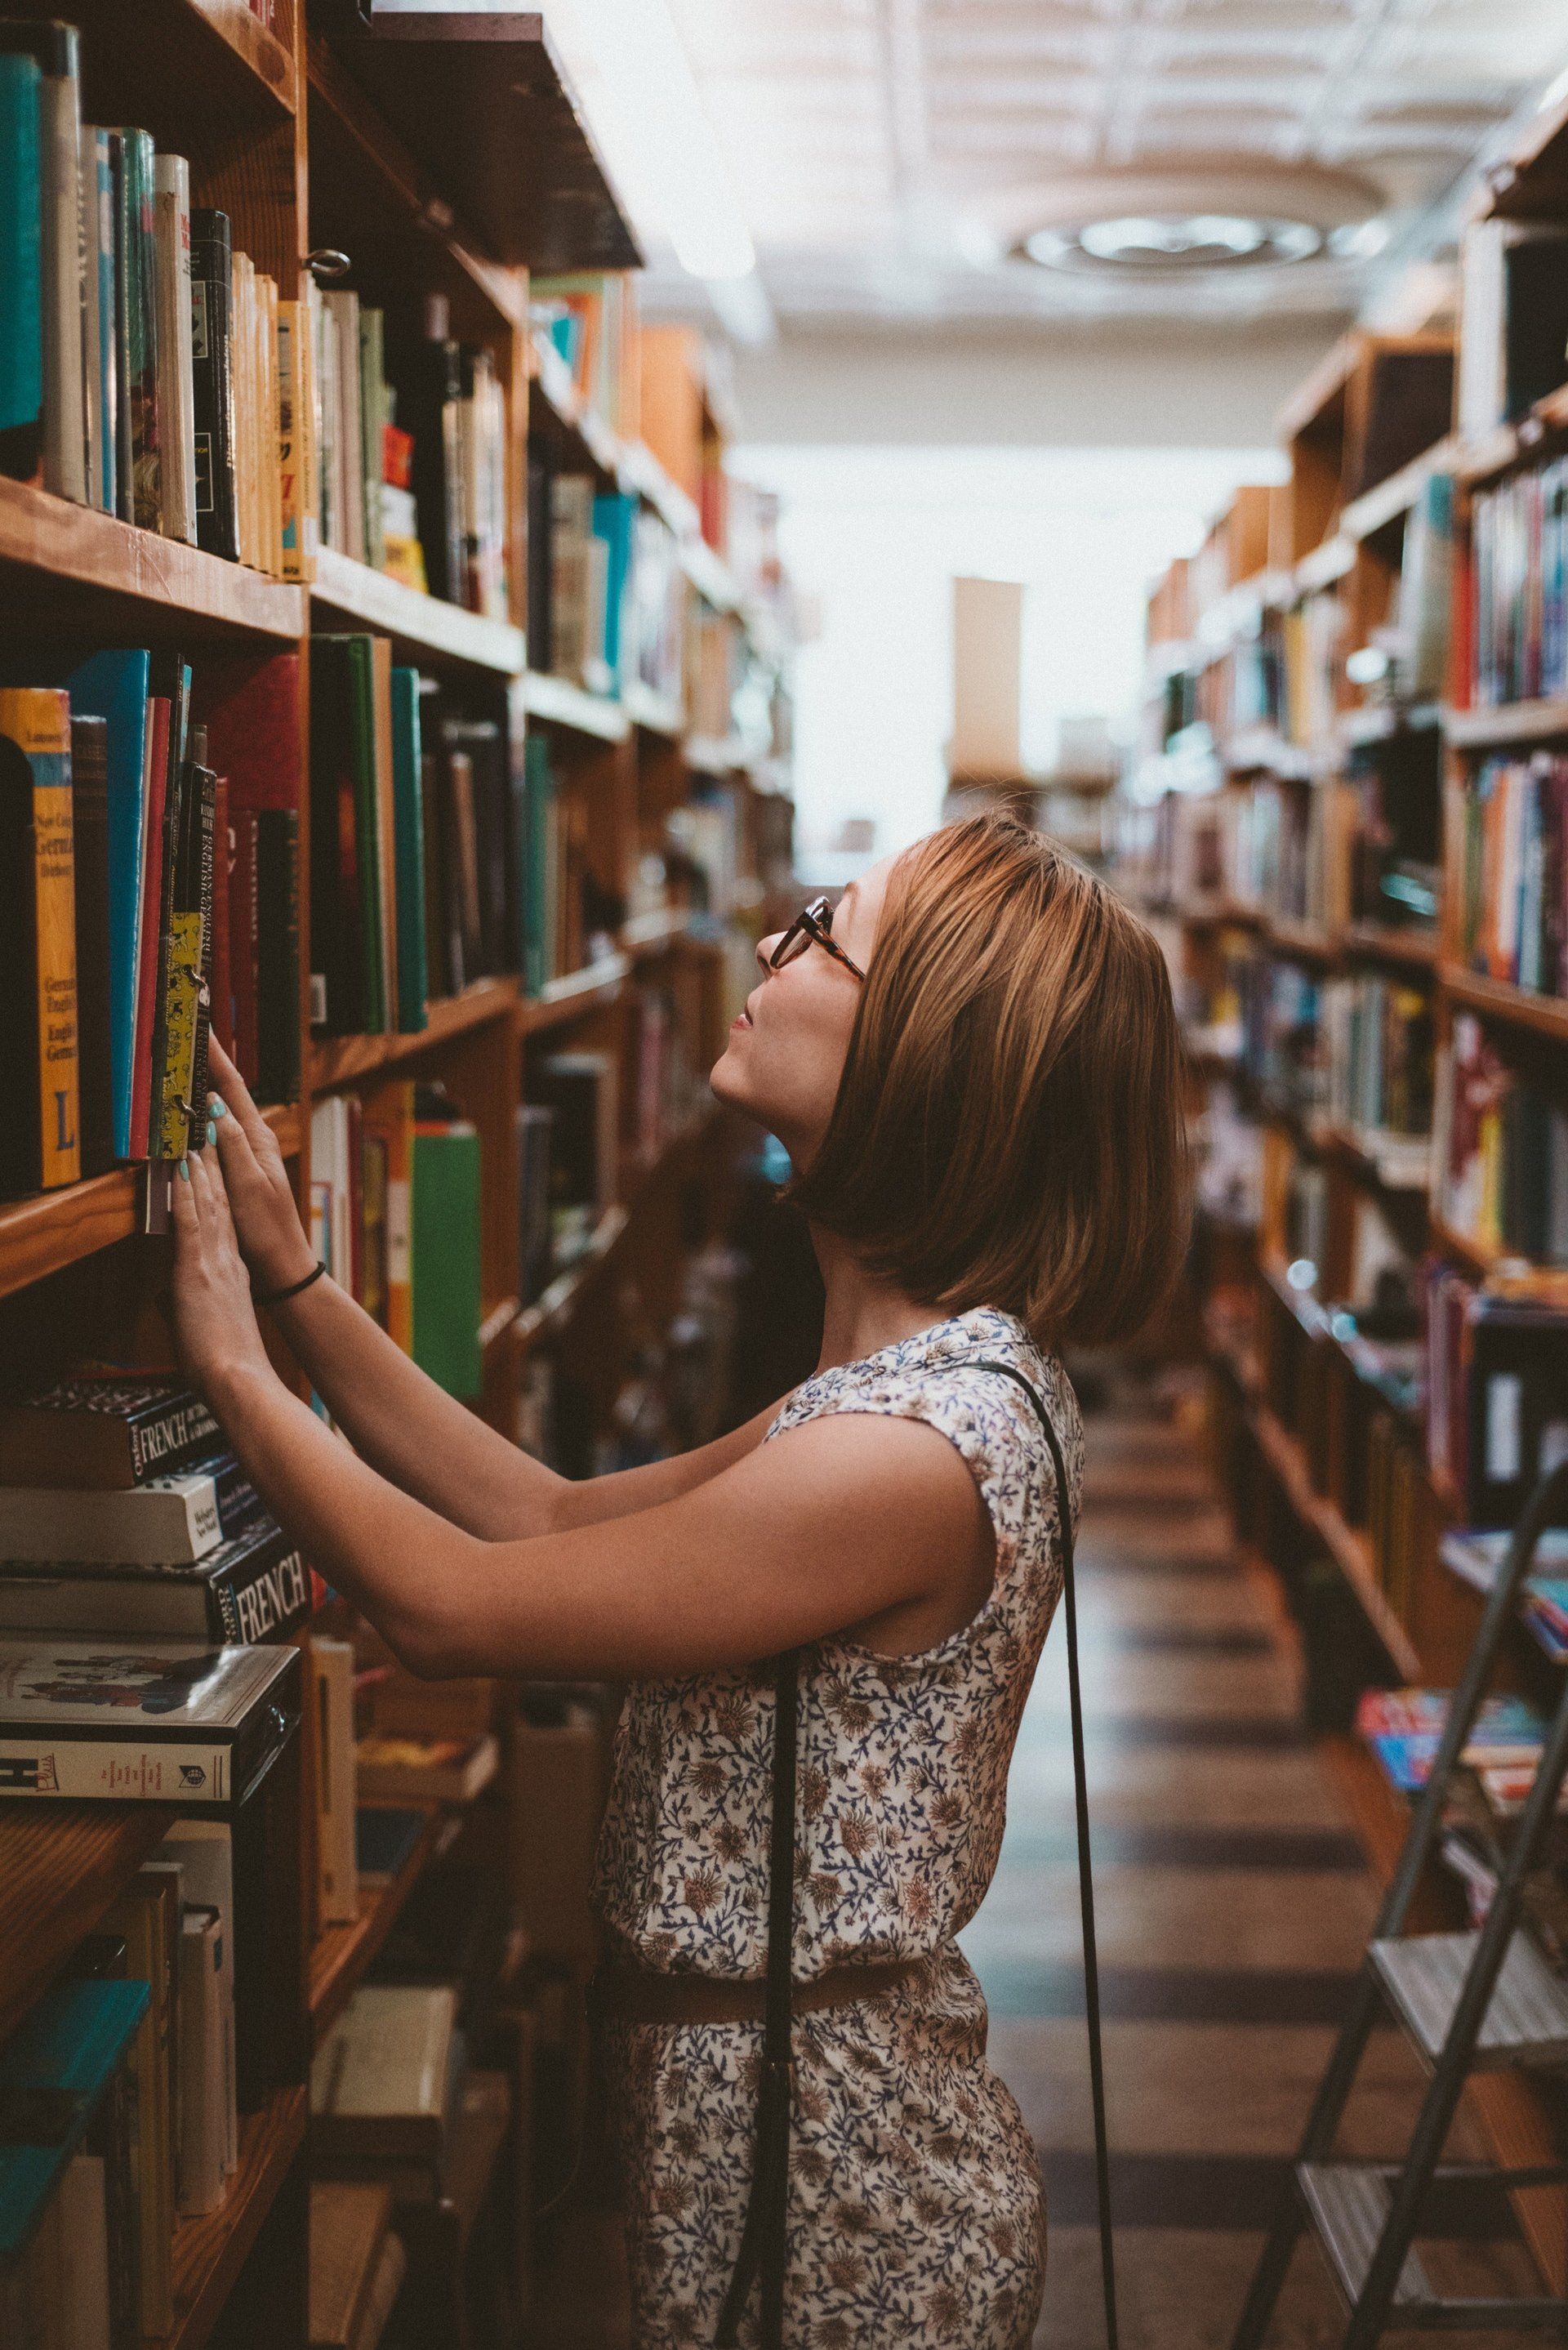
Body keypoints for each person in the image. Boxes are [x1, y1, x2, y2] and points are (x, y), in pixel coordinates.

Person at [169, 807, 1188, 2349]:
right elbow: (544, 1515)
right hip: (770, 2143)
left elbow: (447, 1608)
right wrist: (300, 1291)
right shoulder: (903, 1385)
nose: (773, 944)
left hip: (847, 2200)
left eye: (826, 928)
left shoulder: (910, 1451)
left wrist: (233, 1374)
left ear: (922, 1058)